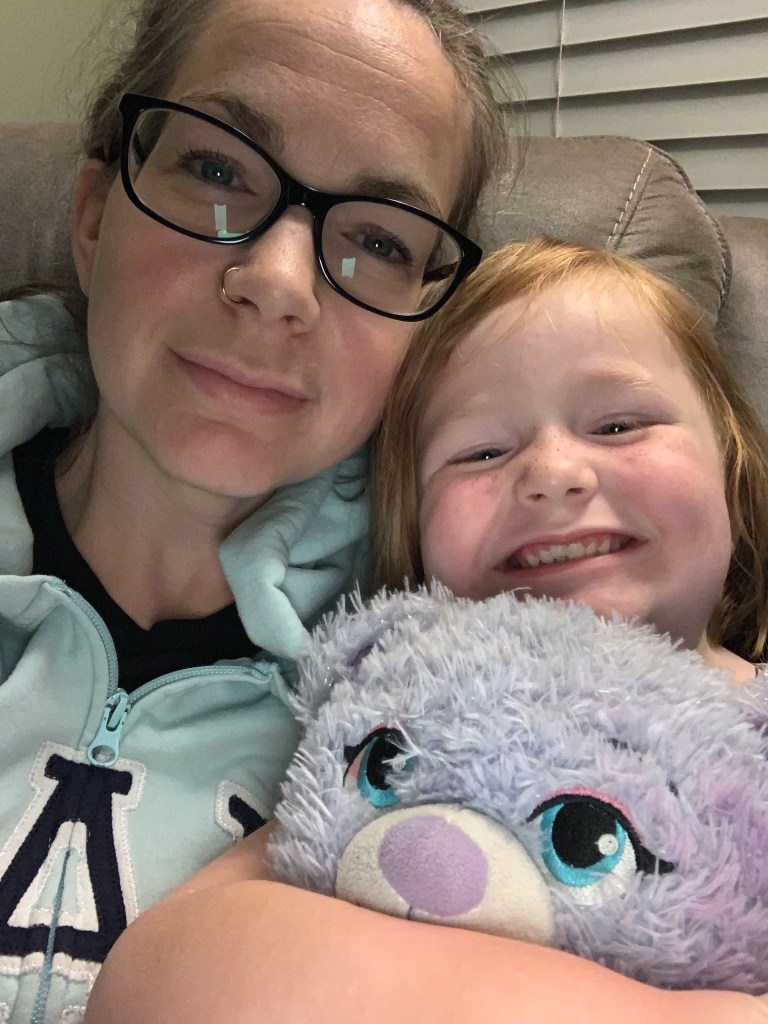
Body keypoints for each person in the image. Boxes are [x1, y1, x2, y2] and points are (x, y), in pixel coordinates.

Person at [83, 240, 768, 1023]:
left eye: (618, 425)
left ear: (734, 466)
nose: (552, 474)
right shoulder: (406, 726)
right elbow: (160, 977)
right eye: (482, 451)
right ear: (412, 532)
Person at [0, 0, 508, 1019]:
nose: (277, 284)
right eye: (217, 168)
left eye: (378, 237)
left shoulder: (448, 685)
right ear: (94, 218)